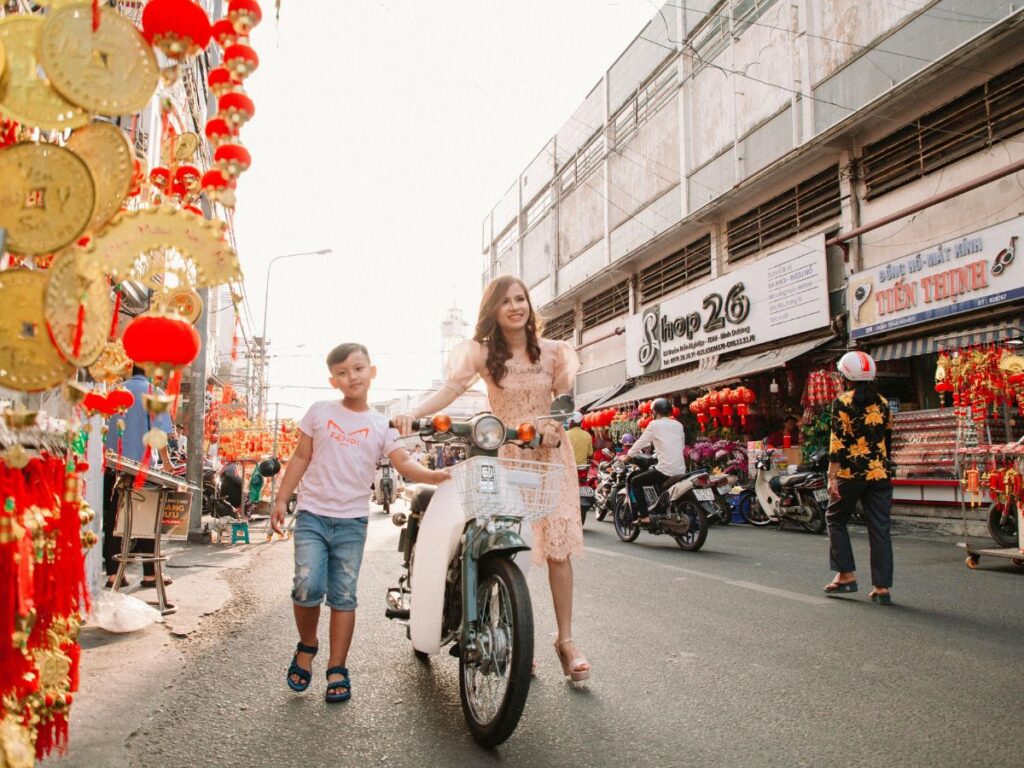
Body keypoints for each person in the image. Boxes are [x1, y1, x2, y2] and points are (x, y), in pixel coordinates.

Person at [396, 275, 591, 682]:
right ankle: (510, 634)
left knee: (558, 550)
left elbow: (562, 402)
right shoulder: (482, 355)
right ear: (493, 311)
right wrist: (410, 415)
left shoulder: (554, 352)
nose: (516, 307)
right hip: (500, 454)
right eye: (506, 302)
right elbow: (450, 391)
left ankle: (566, 641)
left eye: (521, 299)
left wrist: (555, 425)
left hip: (548, 455)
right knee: (496, 544)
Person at [270, 343, 449, 702]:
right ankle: (308, 644)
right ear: (332, 380)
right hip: (312, 516)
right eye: (342, 372)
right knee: (306, 584)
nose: (351, 376)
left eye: (357, 368)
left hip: (352, 522)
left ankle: (338, 666)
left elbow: (403, 464)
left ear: (372, 371)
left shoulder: (381, 424)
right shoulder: (320, 411)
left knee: (343, 596)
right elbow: (301, 455)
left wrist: (437, 477)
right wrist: (281, 498)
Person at [823, 351, 895, 605]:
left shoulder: (842, 402)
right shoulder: (884, 403)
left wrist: (832, 477)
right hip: (880, 473)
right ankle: (882, 587)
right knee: (880, 529)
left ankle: (846, 574)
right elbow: (887, 439)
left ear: (846, 376)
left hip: (850, 473)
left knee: (834, 518)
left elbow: (837, 443)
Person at [102, 366, 177, 590]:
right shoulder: (154, 392)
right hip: (144, 470)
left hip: (115, 468)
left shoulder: (115, 392)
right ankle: (150, 575)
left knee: (115, 521)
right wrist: (167, 461)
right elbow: (159, 433)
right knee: (147, 521)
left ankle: (113, 575)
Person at [626, 398, 686, 526]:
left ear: (655, 412)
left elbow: (640, 442)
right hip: (681, 470)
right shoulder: (678, 425)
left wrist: (628, 456)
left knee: (635, 481)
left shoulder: (654, 424)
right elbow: (680, 445)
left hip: (665, 470)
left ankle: (644, 516)